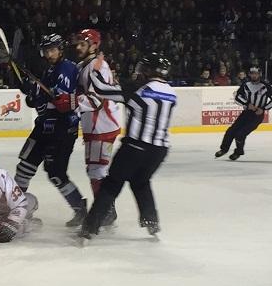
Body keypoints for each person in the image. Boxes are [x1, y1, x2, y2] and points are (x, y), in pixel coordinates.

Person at [80, 53, 176, 238]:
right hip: (159, 150)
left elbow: (100, 89)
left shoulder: (138, 89)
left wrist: (95, 68)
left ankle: (91, 226)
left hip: (135, 147)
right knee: (140, 181)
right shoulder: (172, 92)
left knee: (111, 184)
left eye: (144, 68)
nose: (140, 72)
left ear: (150, 71)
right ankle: (151, 220)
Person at [14, 34, 86, 226]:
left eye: (52, 49)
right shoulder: (49, 70)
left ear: (60, 50)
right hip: (43, 126)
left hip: (62, 128)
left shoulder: (67, 68)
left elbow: (61, 102)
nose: (49, 53)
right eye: (46, 50)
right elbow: (39, 99)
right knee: (24, 167)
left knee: (55, 172)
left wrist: (38, 92)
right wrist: (31, 90)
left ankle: (80, 208)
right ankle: (15, 208)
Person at [69, 28, 121, 227]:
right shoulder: (88, 64)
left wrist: (70, 101)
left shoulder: (97, 66)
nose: (78, 47)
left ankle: (106, 211)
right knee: (96, 170)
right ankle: (105, 209)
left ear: (94, 45)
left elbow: (96, 99)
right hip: (96, 126)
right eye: (78, 43)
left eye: (83, 43)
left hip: (102, 126)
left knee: (97, 171)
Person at [215, 67, 272, 160]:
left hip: (257, 116)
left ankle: (238, 152)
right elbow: (237, 97)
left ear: (260, 74)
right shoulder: (246, 85)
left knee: (240, 134)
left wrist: (264, 108)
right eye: (252, 73)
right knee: (231, 131)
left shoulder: (266, 86)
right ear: (249, 74)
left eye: (256, 73)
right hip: (246, 113)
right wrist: (247, 104)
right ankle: (224, 149)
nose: (254, 75)